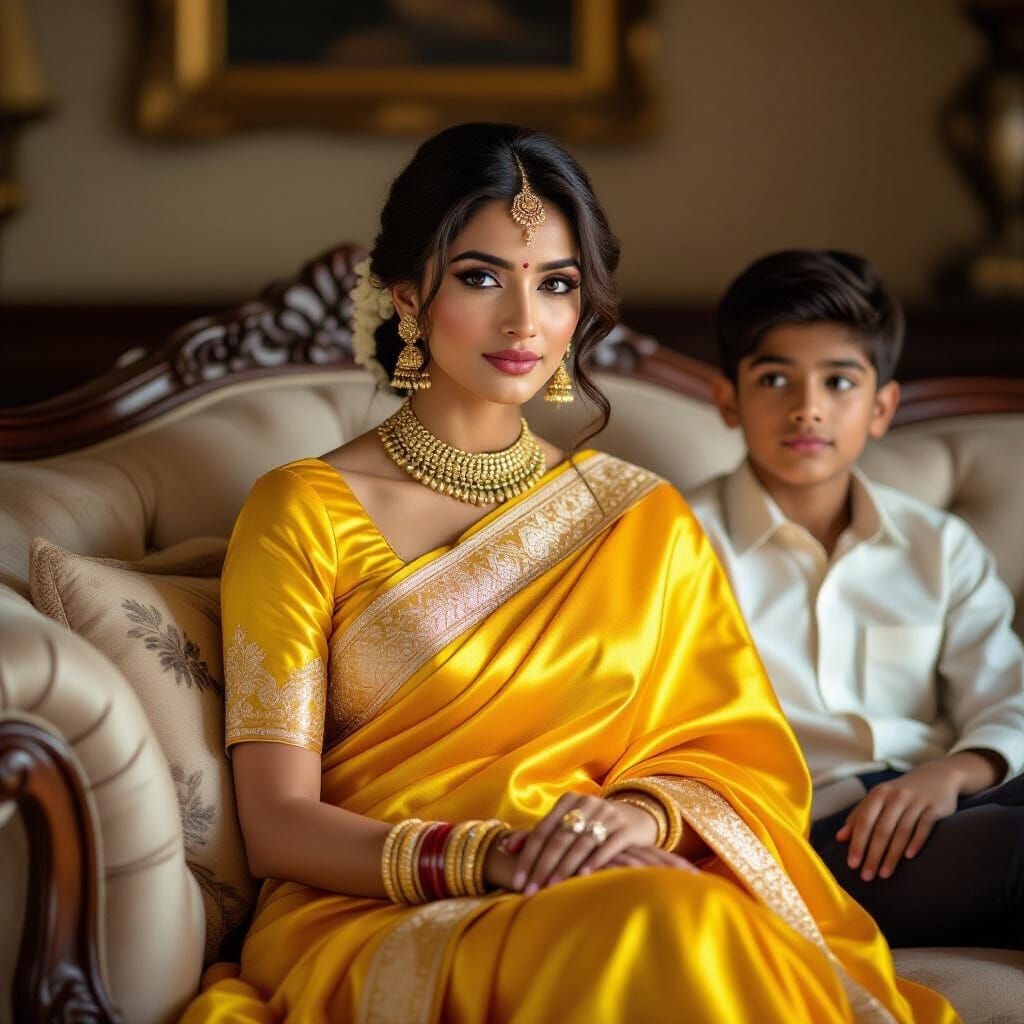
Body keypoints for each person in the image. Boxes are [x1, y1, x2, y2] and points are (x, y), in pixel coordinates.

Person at [182, 130, 955, 1023]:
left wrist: (643, 819)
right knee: (668, 925)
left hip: (614, 879)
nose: (525, 323)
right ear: (406, 295)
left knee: (692, 917)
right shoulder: (300, 511)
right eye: (481, 277)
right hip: (384, 905)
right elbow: (277, 825)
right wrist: (495, 857)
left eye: (555, 284)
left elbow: (734, 761)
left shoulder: (641, 519)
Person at [688, 249, 1024, 950]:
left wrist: (949, 773)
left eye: (838, 381)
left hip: (941, 794)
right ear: (728, 400)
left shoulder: (938, 544)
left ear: (880, 408)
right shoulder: (684, 544)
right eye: (775, 378)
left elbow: (1006, 696)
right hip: (811, 835)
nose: (807, 407)